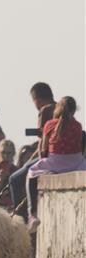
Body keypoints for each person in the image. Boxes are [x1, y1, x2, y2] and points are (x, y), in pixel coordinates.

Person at [25, 96, 86, 231]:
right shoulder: (78, 126)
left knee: (31, 173)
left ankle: (32, 215)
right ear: (73, 111)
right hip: (76, 163)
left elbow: (43, 150)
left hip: (55, 162)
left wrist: (47, 159)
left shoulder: (49, 125)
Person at [10, 82, 56, 216]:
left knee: (15, 179)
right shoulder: (62, 108)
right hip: (69, 157)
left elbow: (43, 144)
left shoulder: (45, 110)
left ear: (37, 99)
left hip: (50, 157)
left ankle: (22, 219)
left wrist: (27, 162)